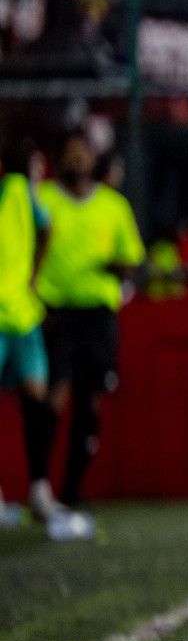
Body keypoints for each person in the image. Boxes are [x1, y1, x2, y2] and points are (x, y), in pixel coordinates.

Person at [25, 127, 144, 523]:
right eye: (71, 153)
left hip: (98, 314)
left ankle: (73, 488)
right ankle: (39, 484)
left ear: (95, 159)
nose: (78, 160)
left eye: (84, 153)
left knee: (91, 401)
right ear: (59, 158)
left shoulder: (113, 206)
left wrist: (114, 266)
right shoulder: (41, 200)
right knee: (52, 396)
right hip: (55, 312)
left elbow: (131, 259)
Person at [0, 137, 50, 528]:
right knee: (36, 397)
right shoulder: (16, 188)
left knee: (36, 395)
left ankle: (38, 488)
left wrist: (31, 274)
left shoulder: (19, 192)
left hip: (21, 314)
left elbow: (45, 226)